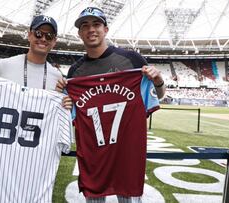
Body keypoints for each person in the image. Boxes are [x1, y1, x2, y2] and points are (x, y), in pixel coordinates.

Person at [56, 7, 166, 203]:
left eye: (96, 24)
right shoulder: (75, 73)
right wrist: (65, 99)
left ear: (105, 29)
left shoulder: (133, 61)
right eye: (85, 26)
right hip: (95, 158)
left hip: (127, 154)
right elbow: (70, 112)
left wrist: (157, 79)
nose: (91, 29)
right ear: (79, 33)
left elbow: (158, 96)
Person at [0, 15, 72, 203]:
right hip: (0, 165)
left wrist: (66, 106)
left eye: (49, 36)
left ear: (54, 41)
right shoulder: (5, 66)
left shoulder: (57, 77)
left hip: (35, 166)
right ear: (29, 35)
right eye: (39, 33)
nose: (43, 39)